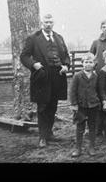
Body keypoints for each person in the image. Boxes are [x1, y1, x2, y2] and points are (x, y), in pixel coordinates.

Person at [20, 13, 70, 148]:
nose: (48, 24)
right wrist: (33, 65)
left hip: (57, 77)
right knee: (42, 107)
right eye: (46, 22)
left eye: (50, 22)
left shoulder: (59, 38)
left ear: (53, 23)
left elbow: (66, 56)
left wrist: (66, 65)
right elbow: (24, 56)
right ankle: (42, 137)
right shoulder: (33, 38)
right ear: (42, 23)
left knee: (53, 106)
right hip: (42, 77)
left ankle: (49, 134)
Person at [69, 52, 100, 157]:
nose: (88, 64)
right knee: (80, 127)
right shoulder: (77, 76)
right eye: (86, 62)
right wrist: (74, 104)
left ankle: (92, 147)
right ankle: (78, 148)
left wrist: (100, 101)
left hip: (93, 105)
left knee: (92, 127)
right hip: (81, 106)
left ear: (94, 64)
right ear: (82, 63)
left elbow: (99, 90)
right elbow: (72, 91)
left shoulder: (96, 76)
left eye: (90, 62)